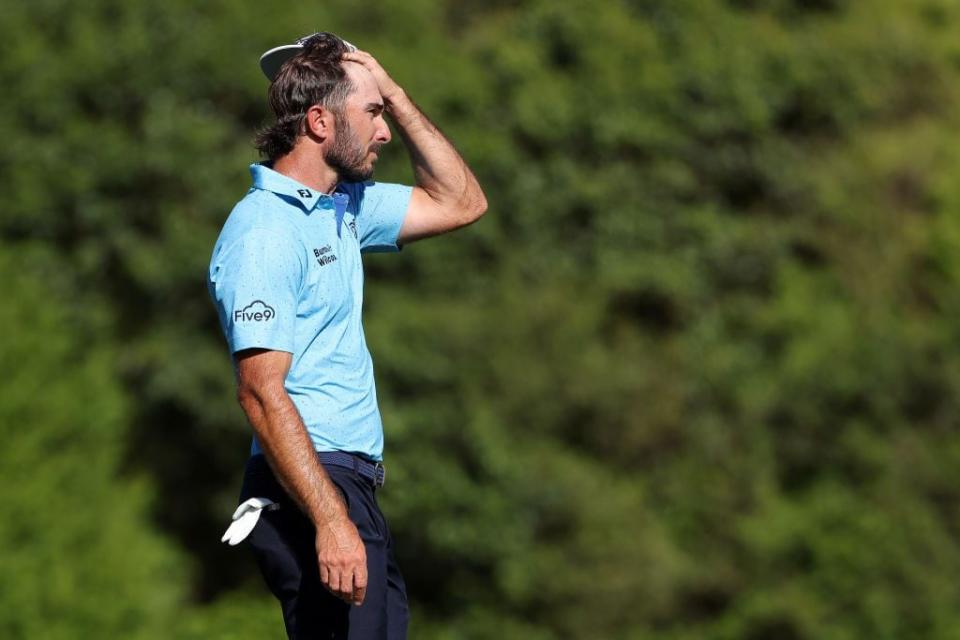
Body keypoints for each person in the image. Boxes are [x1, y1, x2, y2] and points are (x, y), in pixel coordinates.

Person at [207, 32, 487, 639]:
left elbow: (462, 202)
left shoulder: (345, 209)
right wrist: (330, 520)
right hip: (312, 488)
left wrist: (397, 93)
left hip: (351, 485)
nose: (385, 131)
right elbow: (259, 392)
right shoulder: (264, 232)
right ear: (318, 121)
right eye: (372, 113)